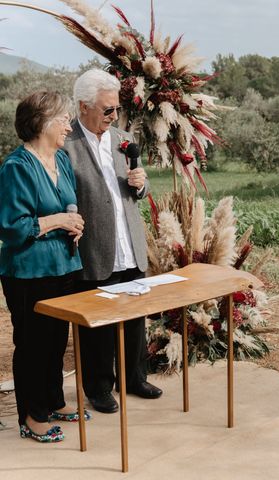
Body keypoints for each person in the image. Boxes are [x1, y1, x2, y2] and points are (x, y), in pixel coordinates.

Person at [64, 69, 162, 414]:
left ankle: (134, 378)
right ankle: (99, 387)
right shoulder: (66, 144)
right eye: (107, 110)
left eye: (116, 109)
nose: (114, 116)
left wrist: (141, 183)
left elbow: (138, 191)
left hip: (129, 245)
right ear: (83, 106)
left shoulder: (122, 138)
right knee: (98, 327)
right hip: (94, 250)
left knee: (136, 318)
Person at [0, 91, 88, 442]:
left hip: (64, 266)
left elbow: (69, 198)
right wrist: (57, 220)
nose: (69, 124)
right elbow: (13, 227)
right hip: (28, 272)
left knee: (56, 341)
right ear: (43, 123)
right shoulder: (16, 167)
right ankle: (31, 416)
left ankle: (53, 401)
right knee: (33, 344)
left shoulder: (62, 159)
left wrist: (74, 219)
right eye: (64, 118)